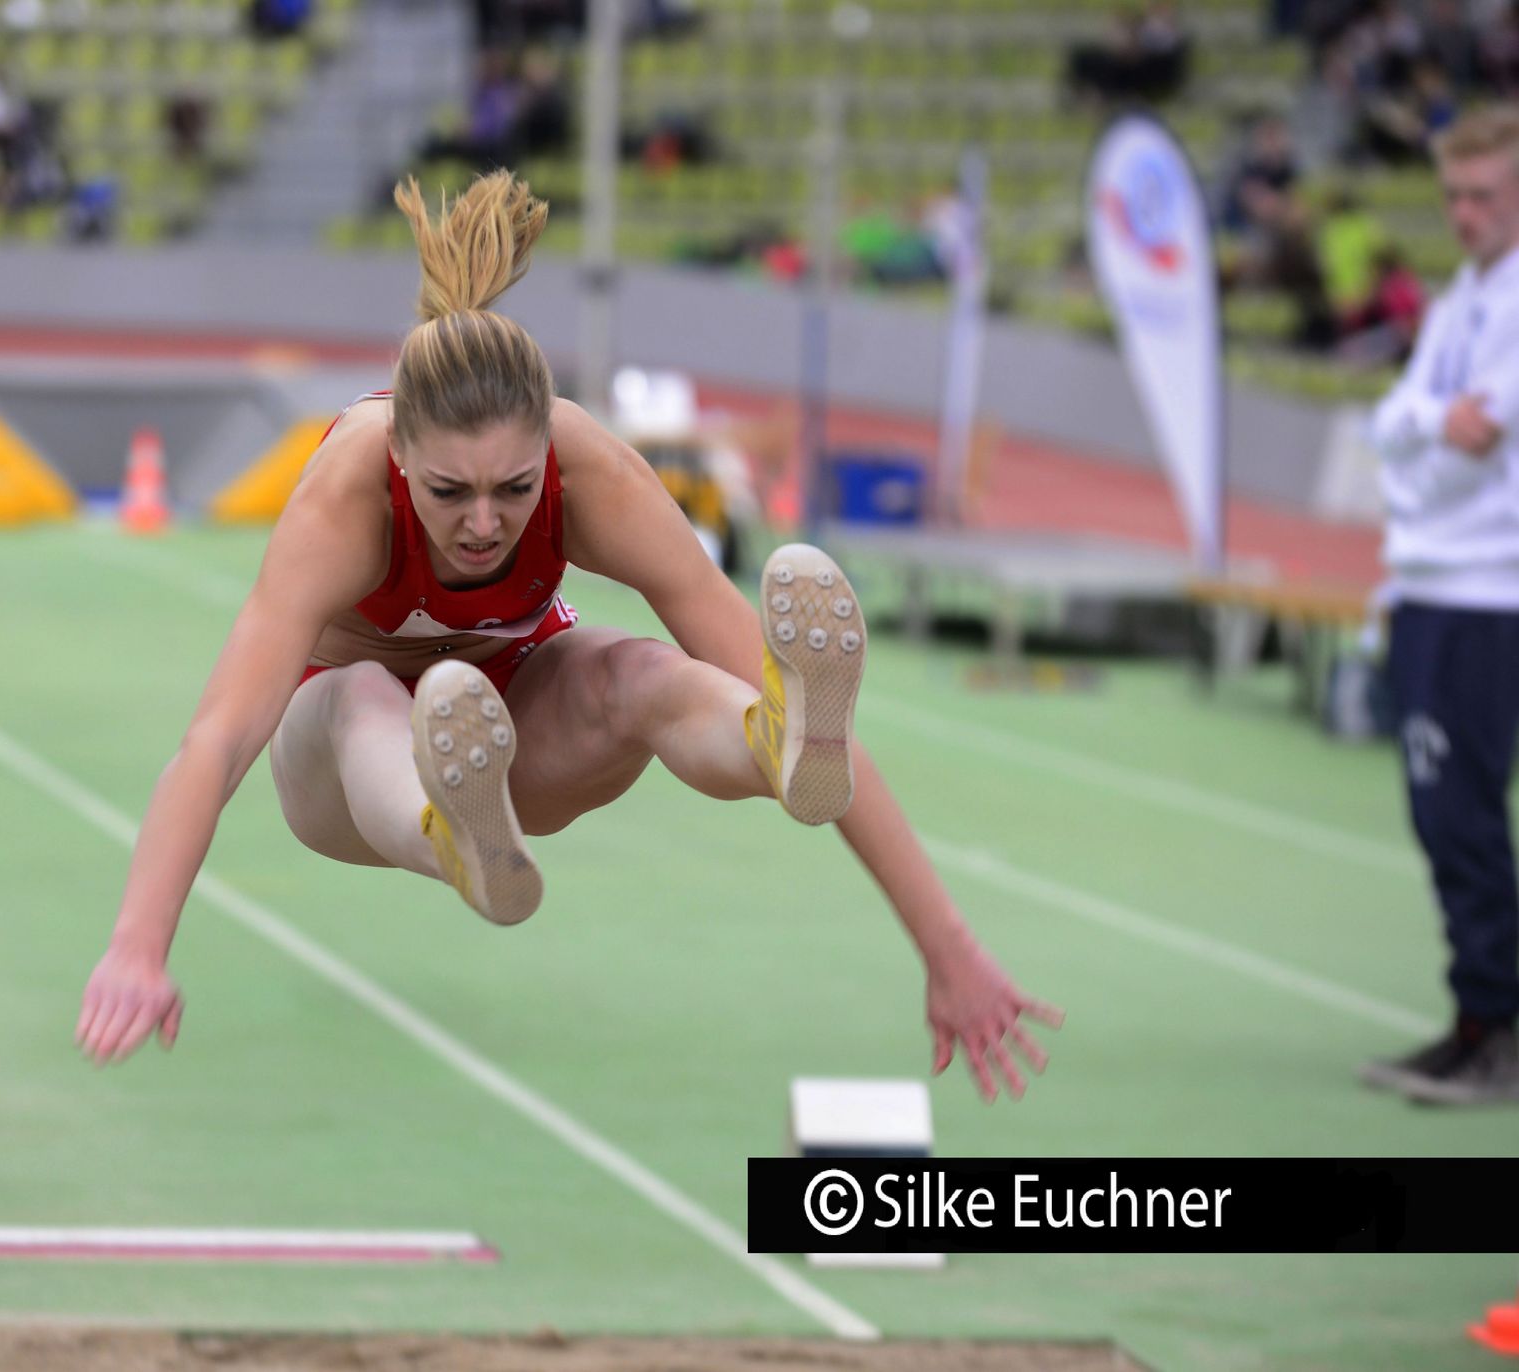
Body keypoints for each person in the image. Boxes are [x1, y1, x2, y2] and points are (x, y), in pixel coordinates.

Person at [75, 171, 1062, 1101]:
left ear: (545, 450)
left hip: (513, 735)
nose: (482, 523)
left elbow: (784, 696)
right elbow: (216, 742)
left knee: (641, 672)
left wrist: (947, 951)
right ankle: (448, 833)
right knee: (368, 695)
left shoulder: (589, 471)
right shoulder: (344, 495)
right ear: (399, 453)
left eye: (513, 489)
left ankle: (764, 746)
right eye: (448, 492)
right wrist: (137, 945)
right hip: (346, 780)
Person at [1364, 104, 1519, 1106]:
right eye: (1453, 195)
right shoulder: (1464, 296)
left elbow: (1474, 444)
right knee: (1438, 811)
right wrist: (1427, 423)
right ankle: (1475, 1017)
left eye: (1483, 195)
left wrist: (1417, 444)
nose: (1463, 213)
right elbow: (1396, 423)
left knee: (1461, 812)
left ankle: (1493, 1025)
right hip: (1427, 581)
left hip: (1485, 591)